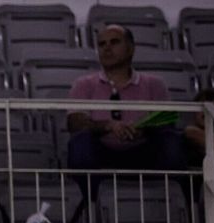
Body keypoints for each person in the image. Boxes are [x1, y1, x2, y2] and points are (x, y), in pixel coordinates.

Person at [66, 25, 185, 174]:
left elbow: (166, 122)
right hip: (101, 152)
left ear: (130, 49)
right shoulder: (83, 84)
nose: (107, 48)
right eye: (102, 44)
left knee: (171, 139)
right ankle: (88, 197)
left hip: (144, 150)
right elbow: (75, 123)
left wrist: (141, 129)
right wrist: (109, 126)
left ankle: (173, 195)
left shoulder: (155, 84)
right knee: (80, 142)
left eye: (114, 42)